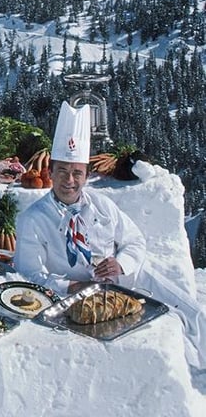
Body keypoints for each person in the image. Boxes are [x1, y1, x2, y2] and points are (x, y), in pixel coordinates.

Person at [16, 100, 206, 367]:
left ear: (86, 174)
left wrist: (122, 263)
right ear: (50, 172)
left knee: (192, 311)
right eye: (62, 171)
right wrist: (72, 286)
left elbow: (134, 240)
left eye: (76, 173)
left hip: (124, 278)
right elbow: (29, 274)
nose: (69, 180)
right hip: (77, 291)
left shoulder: (102, 205)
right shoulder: (32, 219)